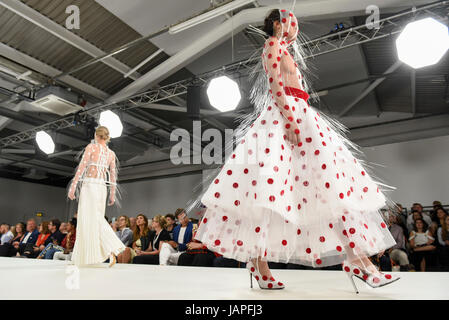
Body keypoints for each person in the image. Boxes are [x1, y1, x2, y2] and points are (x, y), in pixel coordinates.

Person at [188, 8, 400, 292]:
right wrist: (290, 119)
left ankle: (357, 259)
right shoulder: (272, 44)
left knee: (328, 190)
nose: (295, 28)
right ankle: (263, 263)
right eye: (291, 23)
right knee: (280, 193)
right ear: (277, 24)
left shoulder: (282, 47)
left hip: (300, 115)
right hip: (288, 116)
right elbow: (275, 84)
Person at [68, 126, 126, 267]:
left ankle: (111, 248)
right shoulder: (111, 153)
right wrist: (112, 194)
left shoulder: (92, 147)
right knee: (96, 219)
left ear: (97, 135)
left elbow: (82, 167)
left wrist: (73, 186)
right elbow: (112, 176)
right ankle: (87, 257)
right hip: (101, 188)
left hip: (90, 185)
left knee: (87, 220)